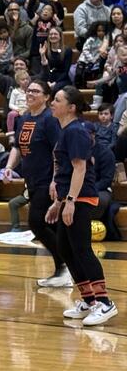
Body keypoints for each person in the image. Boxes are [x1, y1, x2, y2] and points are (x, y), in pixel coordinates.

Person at [48, 87, 118, 325]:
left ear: (71, 107)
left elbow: (80, 168)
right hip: (69, 197)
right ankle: (89, 300)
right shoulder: (66, 130)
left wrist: (69, 201)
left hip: (81, 197)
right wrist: (58, 202)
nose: (53, 103)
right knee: (66, 249)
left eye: (58, 100)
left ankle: (105, 302)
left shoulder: (76, 130)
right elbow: (65, 171)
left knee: (82, 249)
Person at [2, 79, 69, 287]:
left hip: (46, 181)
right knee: (50, 226)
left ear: (47, 97)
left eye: (36, 91)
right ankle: (64, 271)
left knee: (36, 222)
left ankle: (65, 266)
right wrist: (9, 166)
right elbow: (17, 147)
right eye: (28, 90)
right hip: (30, 180)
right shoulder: (23, 118)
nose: (30, 93)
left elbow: (58, 151)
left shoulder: (50, 119)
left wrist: (55, 180)